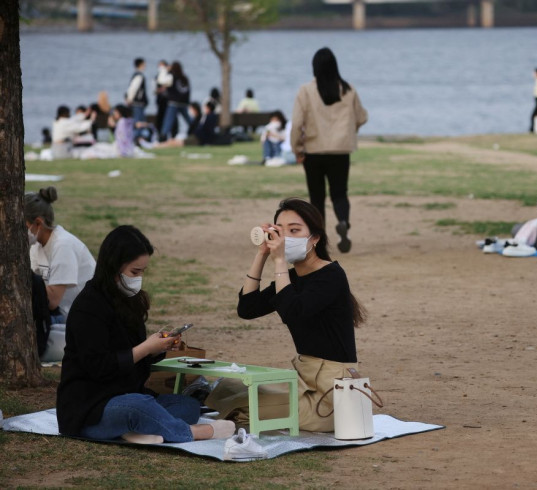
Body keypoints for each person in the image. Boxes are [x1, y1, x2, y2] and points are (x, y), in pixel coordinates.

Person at [56, 225, 235, 444]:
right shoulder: (89, 306)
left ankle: (134, 431)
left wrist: (159, 348)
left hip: (129, 394)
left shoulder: (127, 300)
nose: (138, 278)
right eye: (134, 272)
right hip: (93, 406)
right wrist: (145, 348)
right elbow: (99, 367)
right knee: (138, 406)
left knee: (186, 405)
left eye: (142, 272)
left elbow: (133, 355)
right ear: (114, 266)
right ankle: (196, 432)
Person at [230, 198, 365, 432]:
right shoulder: (291, 278)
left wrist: (280, 260)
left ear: (315, 238)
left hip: (332, 389)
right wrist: (262, 255)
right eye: (280, 232)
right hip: (303, 380)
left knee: (244, 410)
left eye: (295, 230)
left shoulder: (331, 275)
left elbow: (294, 312)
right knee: (230, 390)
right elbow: (247, 309)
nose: (286, 238)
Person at [291, 47, 368, 253]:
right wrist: (350, 131)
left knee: (317, 197)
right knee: (340, 193)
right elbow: (362, 117)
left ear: (314, 68)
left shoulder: (306, 91)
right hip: (341, 151)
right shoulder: (348, 90)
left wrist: (297, 149)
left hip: (313, 151)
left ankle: (319, 241)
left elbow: (297, 123)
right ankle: (343, 222)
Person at [25, 186, 96, 325]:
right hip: (61, 315)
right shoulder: (37, 245)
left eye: (23, 226)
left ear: (38, 223)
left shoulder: (63, 245)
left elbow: (52, 300)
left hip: (82, 320)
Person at [148, 101, 218, 148]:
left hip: (198, 138)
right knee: (175, 141)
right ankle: (158, 145)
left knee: (176, 142)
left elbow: (203, 129)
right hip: (197, 137)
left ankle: (158, 145)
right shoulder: (208, 117)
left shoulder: (207, 117)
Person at [160, 61, 192, 141]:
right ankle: (196, 130)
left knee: (168, 120)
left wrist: (164, 70)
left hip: (174, 102)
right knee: (188, 119)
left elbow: (161, 81)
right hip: (184, 102)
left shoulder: (172, 76)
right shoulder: (184, 78)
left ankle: (163, 136)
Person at [125, 57, 148, 141]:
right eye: (144, 64)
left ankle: (140, 138)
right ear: (140, 65)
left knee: (140, 122)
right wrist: (129, 99)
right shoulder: (139, 76)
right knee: (138, 122)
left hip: (138, 103)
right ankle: (136, 138)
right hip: (137, 103)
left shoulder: (137, 75)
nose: (145, 66)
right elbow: (133, 88)